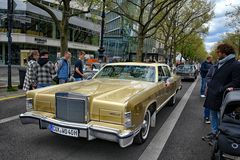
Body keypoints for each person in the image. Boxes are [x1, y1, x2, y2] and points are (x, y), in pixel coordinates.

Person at [202, 44, 240, 144]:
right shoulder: (219, 63)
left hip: (222, 96)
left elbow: (236, 81)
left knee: (220, 117)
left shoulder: (235, 64)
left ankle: (220, 137)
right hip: (213, 94)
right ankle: (214, 133)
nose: (217, 54)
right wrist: (209, 86)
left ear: (225, 52)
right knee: (213, 115)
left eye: (218, 52)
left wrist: (221, 89)